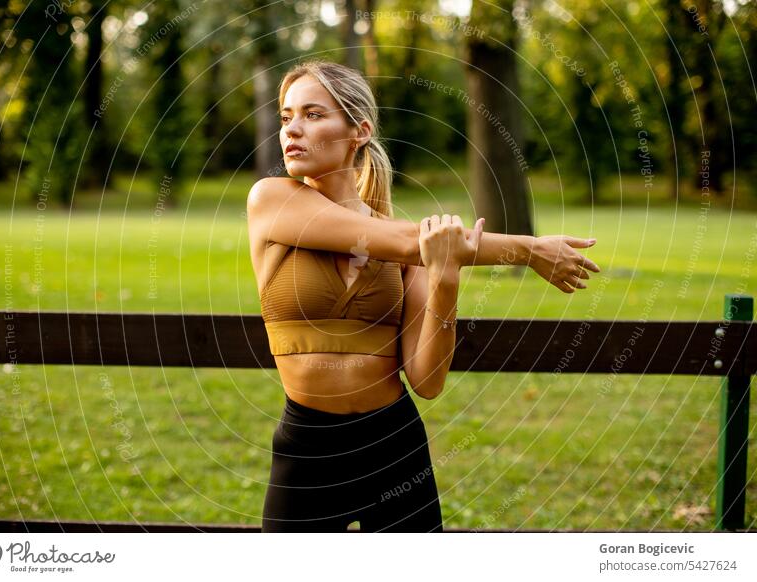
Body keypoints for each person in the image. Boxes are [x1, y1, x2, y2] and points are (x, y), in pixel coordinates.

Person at [246, 59, 600, 532]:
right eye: (287, 116)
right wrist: (530, 249)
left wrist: (445, 280)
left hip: (394, 444)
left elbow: (427, 381)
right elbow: (409, 242)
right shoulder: (271, 200)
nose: (292, 129)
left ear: (359, 131)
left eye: (313, 115)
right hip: (308, 446)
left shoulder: (407, 241)